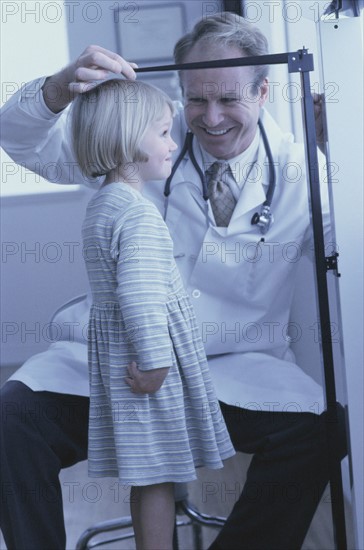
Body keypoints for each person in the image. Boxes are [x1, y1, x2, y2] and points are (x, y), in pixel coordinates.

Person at [0, 12, 347, 550]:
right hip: (123, 360)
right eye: (195, 99)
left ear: (262, 90)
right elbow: (22, 143)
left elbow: (348, 246)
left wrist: (347, 155)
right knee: (12, 420)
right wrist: (57, 88)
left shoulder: (305, 170)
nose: (209, 119)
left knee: (323, 431)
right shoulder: (134, 145)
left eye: (229, 100)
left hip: (239, 366)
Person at [71, 76, 234, 550]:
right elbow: (140, 296)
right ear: (125, 141)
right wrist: (157, 361)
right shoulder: (138, 214)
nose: (174, 142)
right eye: (163, 133)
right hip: (143, 363)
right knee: (159, 476)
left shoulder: (103, 203)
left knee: (148, 475)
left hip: (121, 355)